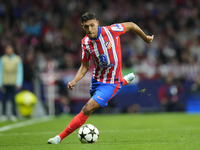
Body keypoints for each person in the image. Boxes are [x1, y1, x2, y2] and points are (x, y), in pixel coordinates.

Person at [48, 12, 154, 144]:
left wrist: (145, 38)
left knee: (87, 108)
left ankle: (59, 138)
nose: (90, 29)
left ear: (97, 23)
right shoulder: (85, 42)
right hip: (97, 80)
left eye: (92, 25)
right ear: (82, 26)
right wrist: (75, 81)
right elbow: (84, 66)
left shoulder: (111, 31)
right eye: (86, 27)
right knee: (91, 104)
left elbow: (131, 25)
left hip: (110, 83)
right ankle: (123, 81)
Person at [0, 44, 23, 122]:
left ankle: (14, 114)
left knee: (14, 100)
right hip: (5, 82)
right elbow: (0, 71)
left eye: (10, 49)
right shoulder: (3, 59)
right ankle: (3, 114)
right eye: (7, 49)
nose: (8, 50)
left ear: (12, 50)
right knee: (4, 99)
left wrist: (18, 82)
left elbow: (20, 71)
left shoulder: (17, 59)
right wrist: (0, 82)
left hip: (13, 82)